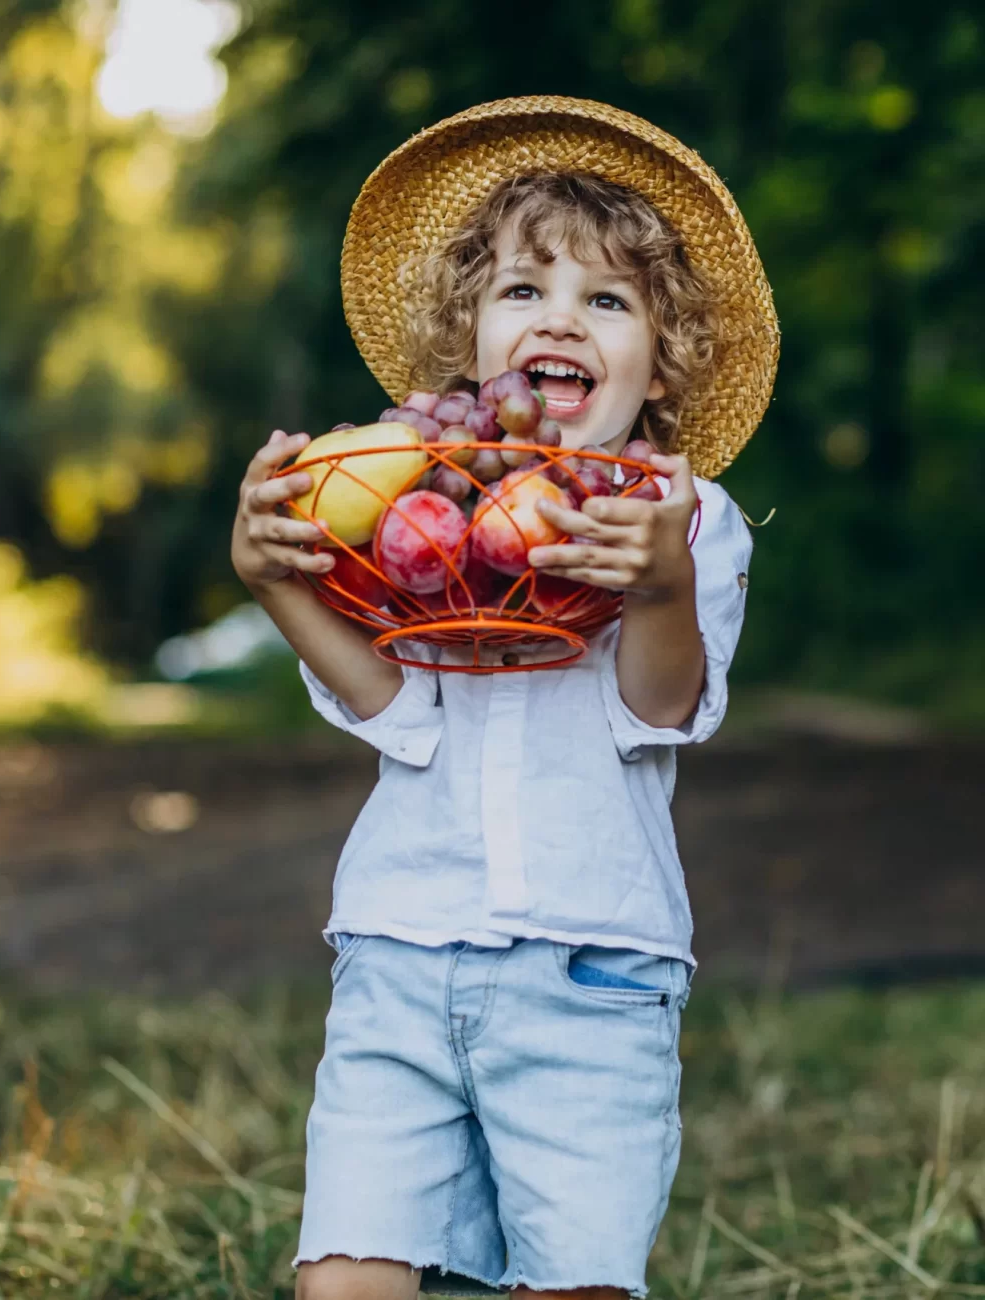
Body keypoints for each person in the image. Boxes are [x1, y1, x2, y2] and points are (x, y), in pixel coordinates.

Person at [230, 97, 778, 1300]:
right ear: (471, 335)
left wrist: (660, 582)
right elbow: (393, 707)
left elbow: (657, 703)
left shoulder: (682, 517)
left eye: (608, 299)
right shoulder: (410, 508)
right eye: (524, 290)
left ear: (661, 354)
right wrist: (274, 583)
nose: (561, 319)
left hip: (593, 964)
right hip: (398, 944)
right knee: (345, 1272)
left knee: (573, 1283)